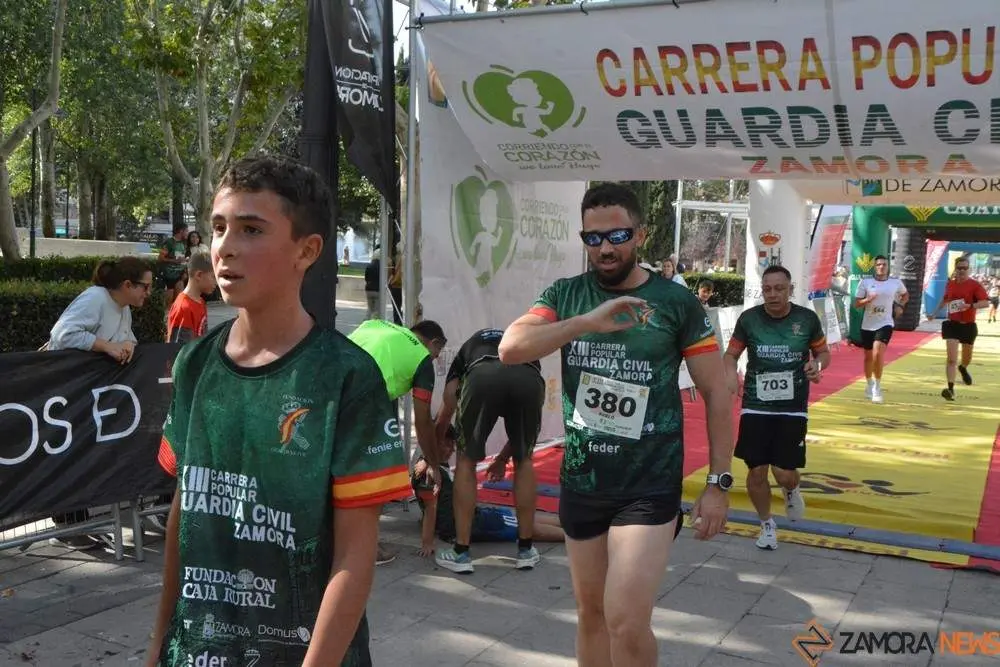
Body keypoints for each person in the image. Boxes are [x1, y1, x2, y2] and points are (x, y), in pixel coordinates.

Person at [145, 156, 410, 667]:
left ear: (307, 251)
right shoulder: (195, 363)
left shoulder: (346, 377)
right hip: (196, 651)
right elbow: (186, 511)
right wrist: (158, 644)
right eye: (219, 227)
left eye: (251, 230)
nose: (225, 247)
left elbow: (355, 555)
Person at [498, 183, 732, 667]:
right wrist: (585, 322)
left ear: (640, 234)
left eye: (617, 235)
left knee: (624, 620)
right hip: (583, 481)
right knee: (590, 616)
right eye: (593, 238)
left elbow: (717, 393)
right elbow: (511, 348)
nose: (605, 248)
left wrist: (718, 483)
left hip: (648, 484)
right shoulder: (568, 294)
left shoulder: (675, 303)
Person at [46, 256, 154, 549]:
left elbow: (125, 337)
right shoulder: (95, 299)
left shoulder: (123, 308)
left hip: (87, 396)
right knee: (67, 456)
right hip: (62, 392)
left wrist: (128, 345)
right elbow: (63, 333)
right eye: (145, 287)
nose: (149, 293)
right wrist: (107, 347)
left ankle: (79, 522)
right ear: (127, 284)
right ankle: (67, 524)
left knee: (84, 454)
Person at [724, 265, 830, 551]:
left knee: (783, 472)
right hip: (756, 404)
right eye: (767, 288)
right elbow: (730, 354)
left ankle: (792, 488)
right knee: (756, 469)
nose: (772, 294)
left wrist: (816, 364)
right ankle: (767, 523)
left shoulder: (806, 319)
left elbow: (823, 353)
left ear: (790, 289)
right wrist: (730, 374)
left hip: (792, 405)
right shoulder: (749, 320)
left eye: (779, 288)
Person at [431, 327, 546, 573]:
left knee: (465, 461)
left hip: (482, 376)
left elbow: (448, 405)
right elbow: (521, 439)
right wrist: (503, 459)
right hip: (528, 377)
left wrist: (433, 459)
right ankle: (526, 550)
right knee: (524, 460)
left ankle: (461, 553)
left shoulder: (468, 351)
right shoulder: (520, 343)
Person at [347, 317, 448, 564]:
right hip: (368, 402)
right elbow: (422, 421)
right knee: (377, 475)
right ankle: (366, 546)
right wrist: (433, 463)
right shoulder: (422, 359)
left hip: (334, 386)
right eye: (437, 353)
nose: (434, 359)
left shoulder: (377, 324)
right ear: (433, 343)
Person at [413, 425, 565, 558]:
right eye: (446, 444)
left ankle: (573, 526)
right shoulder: (428, 473)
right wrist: (427, 542)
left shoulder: (435, 464)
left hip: (474, 516)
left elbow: (430, 505)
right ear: (431, 445)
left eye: (452, 444)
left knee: (523, 518)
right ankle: (575, 535)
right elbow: (430, 508)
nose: (451, 449)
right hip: (470, 523)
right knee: (527, 528)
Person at [927, 256, 989, 401]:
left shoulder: (975, 285)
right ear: (955, 268)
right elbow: (945, 299)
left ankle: (964, 367)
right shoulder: (950, 284)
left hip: (968, 325)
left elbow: (985, 303)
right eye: (959, 268)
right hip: (952, 324)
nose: (961, 271)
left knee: (966, 358)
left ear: (969, 269)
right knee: (951, 359)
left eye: (964, 268)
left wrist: (970, 306)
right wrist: (934, 313)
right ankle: (950, 389)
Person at [852, 255, 908, 404]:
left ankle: (877, 386)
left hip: (885, 323)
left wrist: (900, 306)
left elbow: (905, 295)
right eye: (878, 265)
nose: (881, 267)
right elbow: (856, 304)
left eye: (884, 264)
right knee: (868, 357)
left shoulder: (895, 282)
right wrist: (867, 300)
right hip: (867, 324)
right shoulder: (866, 282)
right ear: (874, 267)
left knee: (878, 353)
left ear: (888, 266)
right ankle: (869, 383)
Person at [166, 251, 216, 344]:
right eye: (213, 277)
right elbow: (179, 350)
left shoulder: (200, 301)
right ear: (199, 275)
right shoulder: (184, 308)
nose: (216, 283)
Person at [158, 222, 189, 307]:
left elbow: (181, 259)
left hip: (180, 274)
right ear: (181, 231)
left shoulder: (184, 243)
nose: (187, 233)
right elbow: (160, 258)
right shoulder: (169, 242)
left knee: (180, 299)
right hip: (169, 275)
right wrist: (174, 261)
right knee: (168, 302)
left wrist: (185, 270)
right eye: (186, 231)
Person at [364, 254, 381, 320]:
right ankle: (374, 321)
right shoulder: (381, 267)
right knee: (376, 309)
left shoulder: (369, 266)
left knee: (370, 308)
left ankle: (366, 320)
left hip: (369, 289)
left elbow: (366, 278)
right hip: (378, 289)